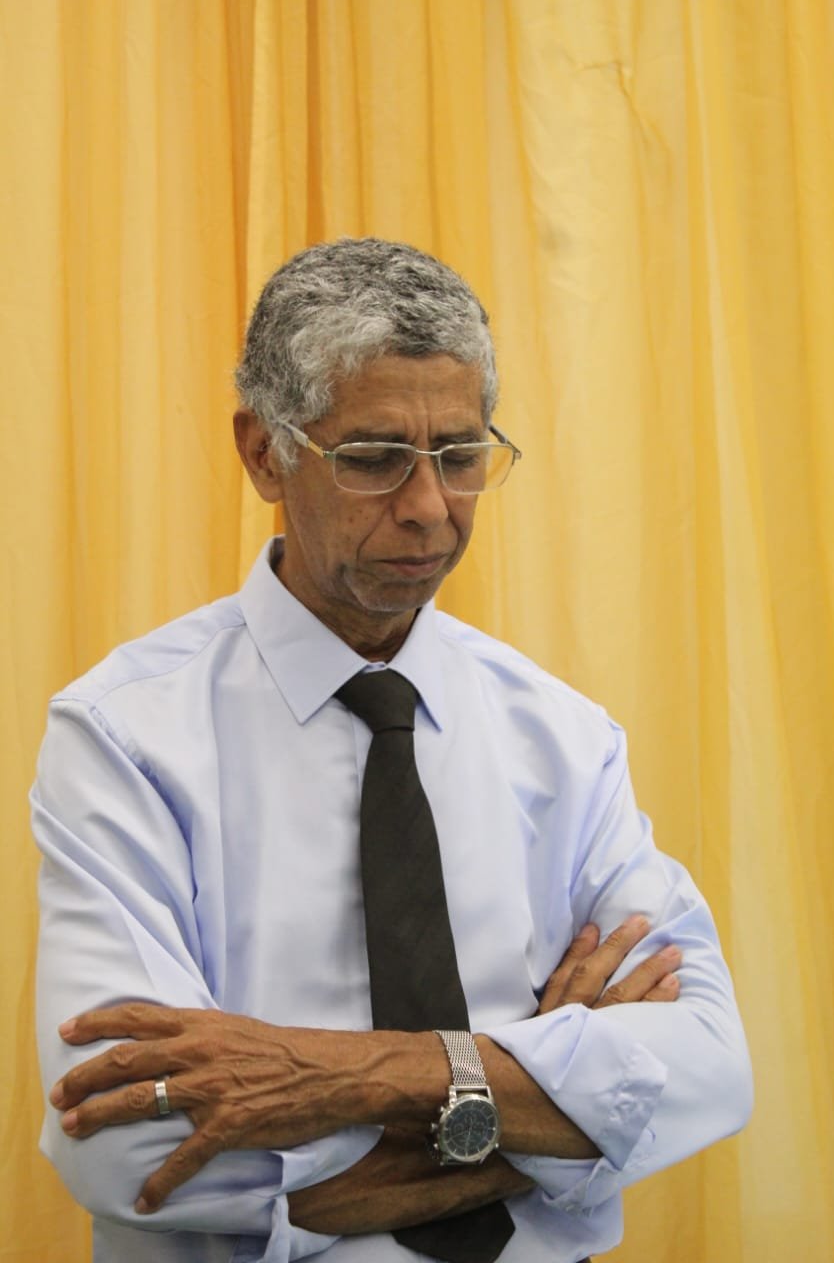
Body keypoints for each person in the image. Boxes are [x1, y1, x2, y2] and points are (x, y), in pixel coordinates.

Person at [32, 237, 752, 1263]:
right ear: (263, 452)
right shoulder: (123, 735)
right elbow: (128, 1150)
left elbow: (707, 1067)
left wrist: (336, 1076)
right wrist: (559, 1110)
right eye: (372, 458)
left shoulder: (564, 736)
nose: (427, 507)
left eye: (460, 456)